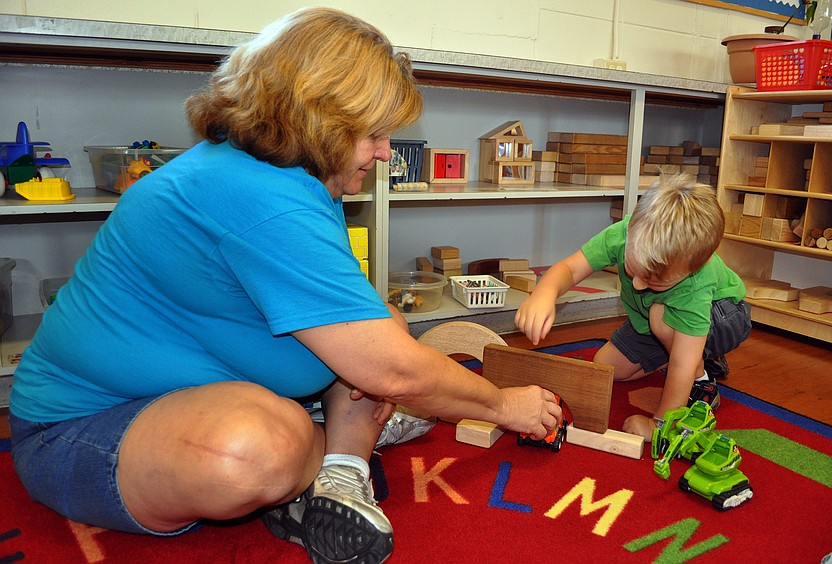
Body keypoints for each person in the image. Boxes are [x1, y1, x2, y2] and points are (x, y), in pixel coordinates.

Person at [9, 8, 562, 564]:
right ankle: (322, 456)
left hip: (193, 392)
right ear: (321, 121)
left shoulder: (288, 178)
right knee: (262, 448)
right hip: (78, 429)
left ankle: (337, 476)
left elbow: (370, 340)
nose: (387, 150)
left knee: (382, 324)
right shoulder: (263, 199)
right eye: (373, 133)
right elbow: (391, 370)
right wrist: (503, 405)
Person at [514, 174, 751, 442]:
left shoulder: (695, 284)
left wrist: (659, 426)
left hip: (724, 316)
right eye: (631, 268)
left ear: (692, 270)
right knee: (606, 367)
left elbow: (681, 366)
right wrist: (544, 293)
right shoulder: (626, 235)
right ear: (631, 229)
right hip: (653, 321)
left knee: (663, 322)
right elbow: (570, 268)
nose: (637, 285)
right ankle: (686, 351)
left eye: (651, 280)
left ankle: (703, 378)